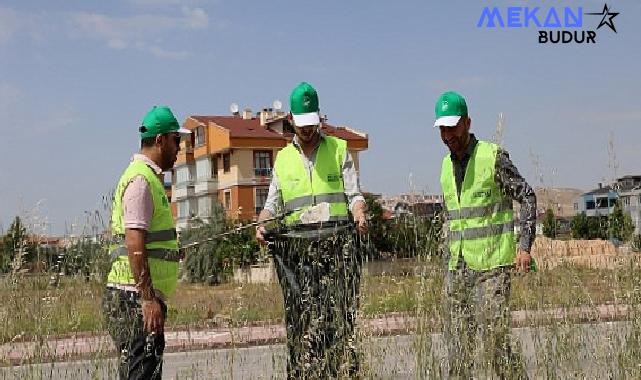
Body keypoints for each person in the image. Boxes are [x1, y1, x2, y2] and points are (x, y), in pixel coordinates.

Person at [256, 82, 368, 379]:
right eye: (301, 124)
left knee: (338, 320)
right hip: (298, 255)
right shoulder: (282, 159)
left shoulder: (338, 149)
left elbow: (354, 195)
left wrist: (359, 213)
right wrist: (262, 223)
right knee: (303, 321)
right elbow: (271, 206)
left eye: (312, 124)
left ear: (320, 119)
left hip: (337, 250)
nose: (306, 130)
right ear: (291, 119)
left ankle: (339, 371)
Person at [434, 91, 536, 379]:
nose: (447, 135)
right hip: (456, 269)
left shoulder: (493, 157)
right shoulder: (444, 166)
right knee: (457, 350)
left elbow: (527, 196)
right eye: (442, 129)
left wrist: (524, 246)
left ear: (467, 122)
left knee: (495, 346)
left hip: (491, 269)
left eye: (452, 127)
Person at [103, 106, 190, 380]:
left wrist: (170, 252)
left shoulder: (148, 177)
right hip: (134, 298)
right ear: (161, 139)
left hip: (133, 296)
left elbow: (146, 240)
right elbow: (134, 241)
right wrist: (148, 298)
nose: (180, 147)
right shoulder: (141, 180)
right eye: (177, 140)